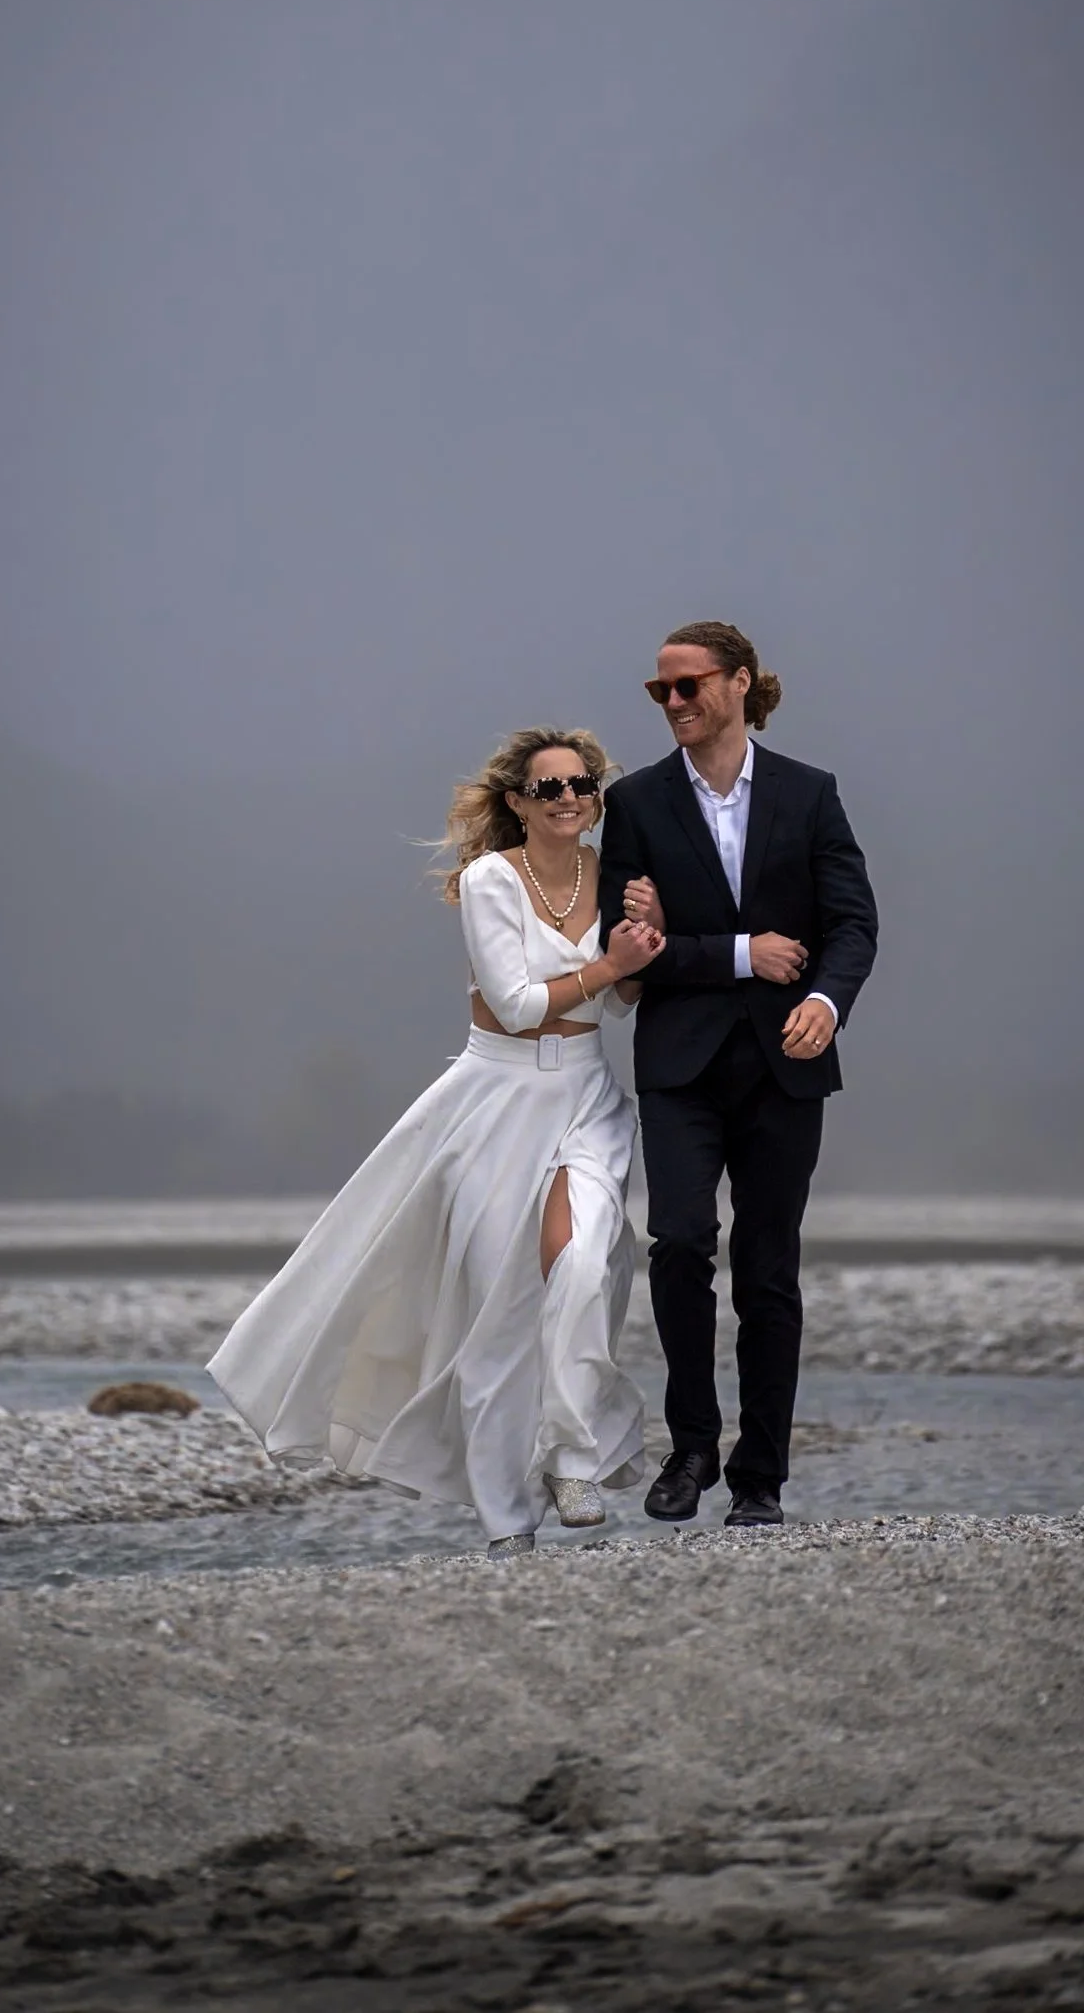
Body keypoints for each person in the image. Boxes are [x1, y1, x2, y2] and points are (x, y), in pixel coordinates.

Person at [208, 729, 665, 1560]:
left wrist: (642, 953)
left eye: (582, 785)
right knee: (500, 1315)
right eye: (550, 786)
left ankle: (572, 1455)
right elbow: (520, 1002)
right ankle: (505, 1524)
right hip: (494, 1100)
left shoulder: (621, 879)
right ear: (519, 802)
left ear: (597, 797)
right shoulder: (493, 879)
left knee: (585, 1261)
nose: (568, 798)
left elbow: (623, 1001)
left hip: (587, 1096)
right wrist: (612, 968)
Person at [598, 623, 878, 1529]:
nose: (673, 703)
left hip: (786, 1067)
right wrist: (741, 956)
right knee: (678, 1244)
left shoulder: (810, 793)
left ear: (739, 684)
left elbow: (853, 926)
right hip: (678, 1067)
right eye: (660, 692)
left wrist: (827, 1003)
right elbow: (628, 958)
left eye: (688, 686)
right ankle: (690, 1449)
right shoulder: (634, 803)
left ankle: (761, 1478)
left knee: (768, 1271)